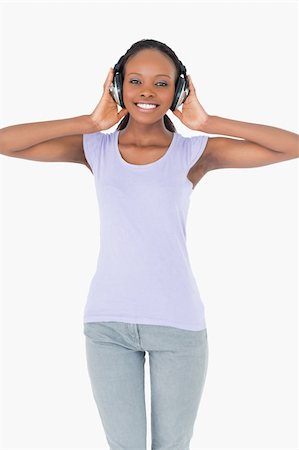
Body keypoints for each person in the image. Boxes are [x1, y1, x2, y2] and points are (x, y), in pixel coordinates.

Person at [1, 38, 298, 450]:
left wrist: (208, 123)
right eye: (136, 80)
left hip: (178, 326)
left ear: (179, 91)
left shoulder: (195, 153)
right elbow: (4, 141)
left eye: (162, 83)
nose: (146, 91)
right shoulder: (94, 149)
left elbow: (293, 145)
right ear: (117, 85)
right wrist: (89, 122)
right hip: (107, 327)